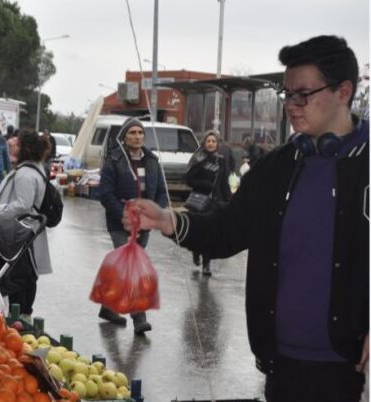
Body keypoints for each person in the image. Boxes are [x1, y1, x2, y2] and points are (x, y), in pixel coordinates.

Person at [123, 36, 368, 402]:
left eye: (303, 94)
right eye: (287, 95)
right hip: (280, 365)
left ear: (343, 91)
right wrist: (168, 221)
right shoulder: (275, 169)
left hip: (352, 371)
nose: (291, 106)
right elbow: (226, 230)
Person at [98, 117, 168, 335]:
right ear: (125, 136)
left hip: (144, 224)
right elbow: (105, 194)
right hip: (120, 225)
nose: (137, 137)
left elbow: (162, 193)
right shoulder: (114, 160)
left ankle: (108, 308)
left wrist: (156, 212)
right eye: (132, 133)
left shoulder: (153, 161)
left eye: (140, 133)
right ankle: (139, 317)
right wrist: (125, 217)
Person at [0, 130, 52, 318]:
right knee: (26, 275)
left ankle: (21, 316)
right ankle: (23, 315)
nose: (11, 145)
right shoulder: (33, 168)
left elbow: (23, 205)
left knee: (20, 277)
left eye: (16, 144)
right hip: (27, 231)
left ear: (26, 149)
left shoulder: (25, 174)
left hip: (22, 232)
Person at [186, 130, 232, 276]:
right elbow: (189, 180)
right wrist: (204, 184)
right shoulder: (198, 159)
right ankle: (195, 251)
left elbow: (224, 183)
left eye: (214, 141)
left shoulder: (221, 160)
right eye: (208, 141)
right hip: (199, 201)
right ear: (204, 143)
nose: (211, 144)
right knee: (199, 232)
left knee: (210, 234)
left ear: (217, 144)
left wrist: (230, 201)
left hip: (214, 202)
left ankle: (207, 264)